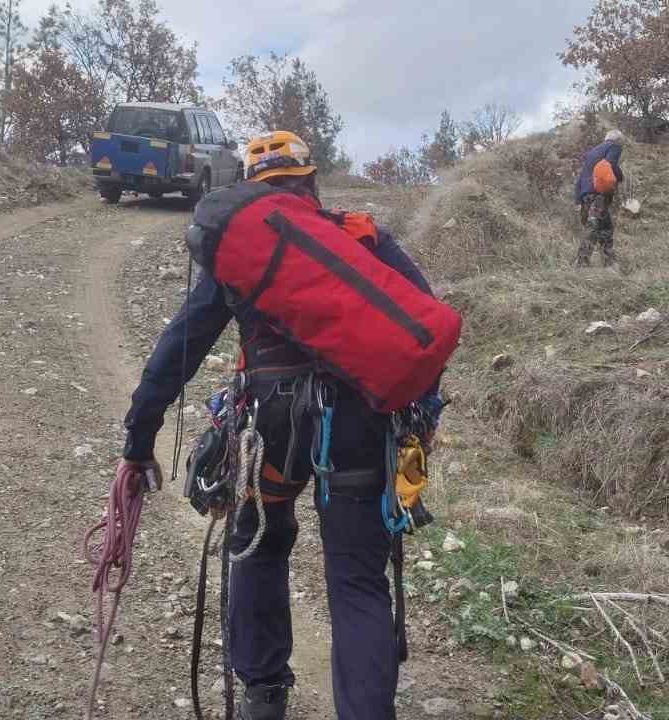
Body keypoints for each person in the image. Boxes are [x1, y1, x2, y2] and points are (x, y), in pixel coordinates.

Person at [116, 130, 440, 720]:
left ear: (251, 192)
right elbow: (422, 332)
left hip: (267, 422)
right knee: (356, 580)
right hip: (357, 422)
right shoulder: (361, 235)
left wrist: (139, 440)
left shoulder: (240, 252)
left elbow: (176, 350)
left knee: (259, 544)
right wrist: (424, 418)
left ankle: (263, 696)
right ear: (311, 182)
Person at [574, 129, 626, 267]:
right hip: (598, 194)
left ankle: (609, 262)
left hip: (585, 193)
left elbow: (581, 176)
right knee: (593, 227)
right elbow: (609, 165)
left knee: (606, 227)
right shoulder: (614, 147)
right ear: (618, 141)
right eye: (622, 143)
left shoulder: (592, 152)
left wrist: (578, 199)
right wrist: (620, 177)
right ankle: (581, 262)